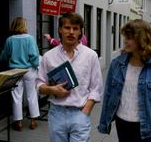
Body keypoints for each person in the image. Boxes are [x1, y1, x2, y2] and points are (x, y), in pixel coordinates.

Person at [98, 19, 151, 142]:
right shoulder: (117, 64)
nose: (125, 41)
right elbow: (108, 95)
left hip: (147, 127)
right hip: (122, 124)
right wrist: (104, 123)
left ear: (142, 39)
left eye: (130, 37)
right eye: (125, 36)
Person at [36, 12, 103, 142]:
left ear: (80, 32)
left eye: (75, 28)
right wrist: (52, 90)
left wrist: (85, 112)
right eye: (67, 28)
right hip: (57, 114)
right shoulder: (48, 56)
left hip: (80, 113)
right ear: (60, 30)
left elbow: (96, 88)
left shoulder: (90, 56)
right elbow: (39, 84)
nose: (71, 32)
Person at [0, 17, 40, 131]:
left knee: (16, 97)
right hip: (29, 70)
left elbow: (4, 56)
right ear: (24, 26)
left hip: (15, 71)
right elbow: (34, 56)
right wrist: (36, 65)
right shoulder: (30, 39)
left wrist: (5, 60)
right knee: (31, 95)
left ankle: (18, 122)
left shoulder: (10, 40)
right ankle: (33, 121)